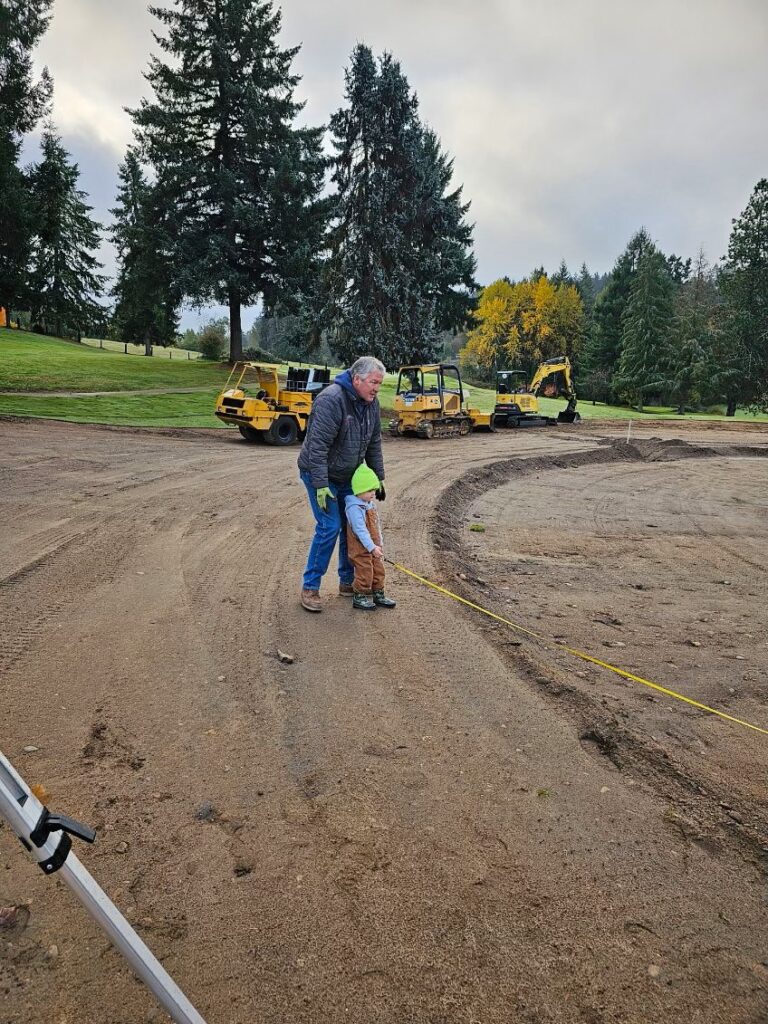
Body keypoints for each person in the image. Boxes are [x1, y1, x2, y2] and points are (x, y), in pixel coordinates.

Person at [297, 356, 386, 613]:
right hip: (319, 472)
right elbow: (317, 446)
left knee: (353, 527)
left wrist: (378, 477)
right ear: (357, 379)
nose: (376, 388)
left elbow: (374, 444)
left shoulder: (371, 403)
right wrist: (321, 483)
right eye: (373, 382)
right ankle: (310, 587)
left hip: (348, 476)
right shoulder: (331, 400)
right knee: (330, 526)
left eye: (379, 383)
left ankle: (348, 581)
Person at [344, 464, 396, 611]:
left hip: (374, 546)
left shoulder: (369, 504)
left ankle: (378, 593)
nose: (373, 493)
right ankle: (359, 596)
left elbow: (376, 525)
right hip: (361, 547)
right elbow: (360, 531)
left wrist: (379, 542)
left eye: (374, 489)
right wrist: (371, 547)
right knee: (364, 570)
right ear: (359, 490)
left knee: (378, 569)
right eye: (369, 490)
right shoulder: (354, 508)